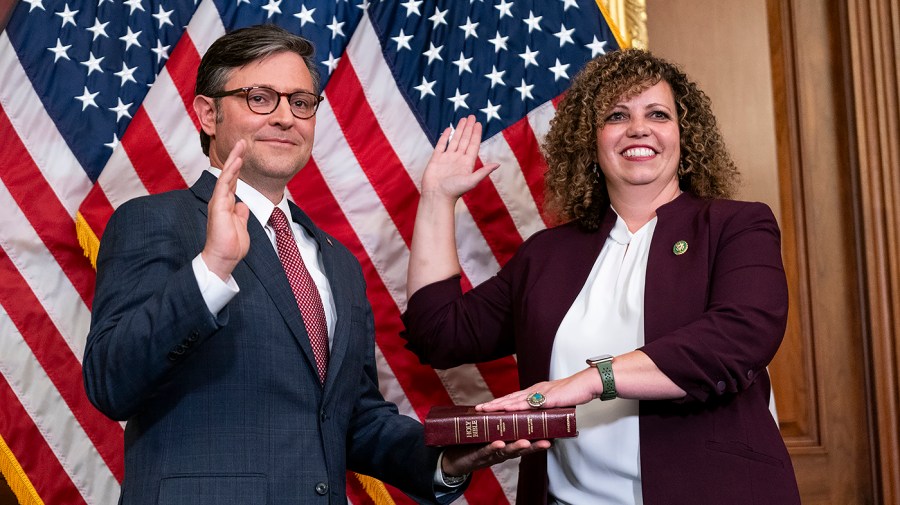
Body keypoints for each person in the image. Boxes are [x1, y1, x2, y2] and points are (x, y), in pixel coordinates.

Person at [82, 24, 532, 505]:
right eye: (260, 98)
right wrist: (211, 269)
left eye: (301, 102)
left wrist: (443, 459)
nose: (284, 118)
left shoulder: (337, 262)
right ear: (208, 113)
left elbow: (351, 417)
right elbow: (111, 383)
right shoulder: (154, 220)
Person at [402, 48, 801, 505]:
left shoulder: (737, 225)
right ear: (589, 141)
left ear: (685, 135)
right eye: (616, 115)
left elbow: (738, 337)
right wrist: (437, 199)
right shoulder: (548, 255)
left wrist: (592, 380)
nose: (638, 128)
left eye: (657, 114)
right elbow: (439, 333)